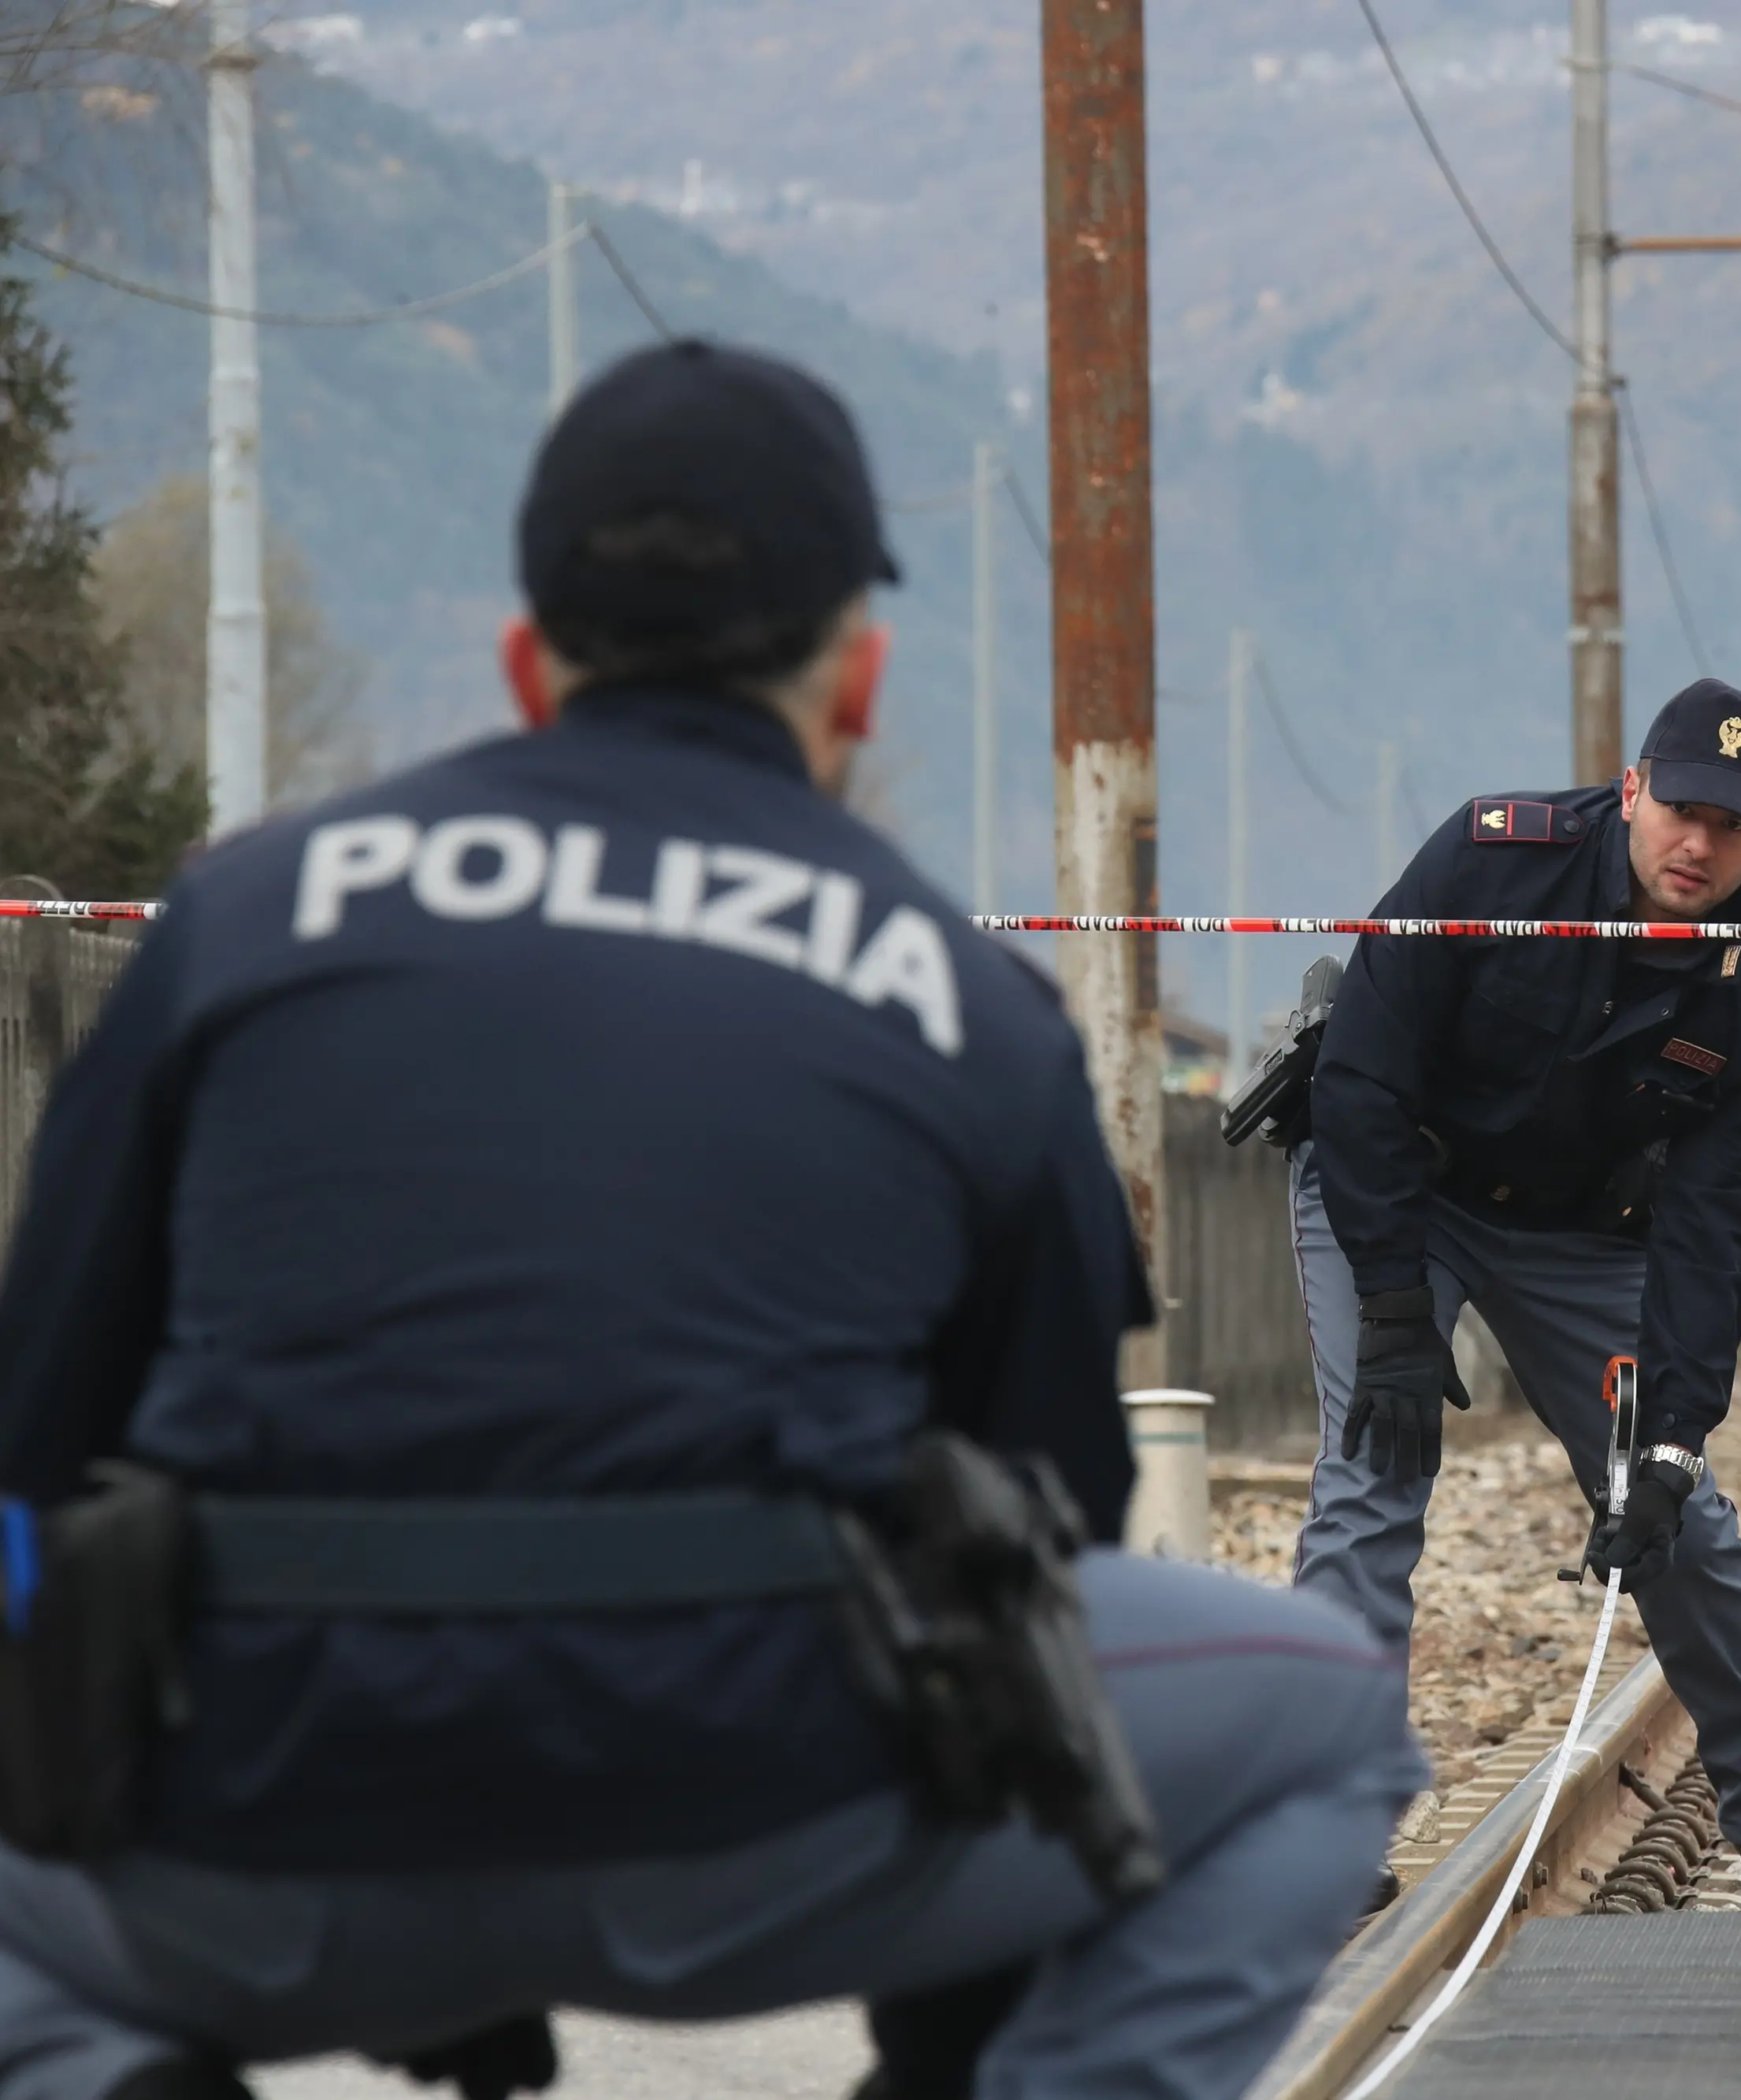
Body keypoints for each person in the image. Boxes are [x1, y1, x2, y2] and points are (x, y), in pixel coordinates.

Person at [0, 340, 1421, 2100]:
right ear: (862, 683)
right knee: (1328, 1722)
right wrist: (949, 2028)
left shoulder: (238, 917)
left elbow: (44, 1431)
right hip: (773, 1817)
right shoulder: (962, 1004)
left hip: (281, 1825)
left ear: (528, 665)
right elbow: (1039, 1522)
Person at [1291, 678, 1741, 1911]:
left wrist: (1671, 1433)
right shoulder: (1489, 861)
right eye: (1680, 809)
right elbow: (1358, 1077)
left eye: (1731, 827)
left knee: (1684, 1521)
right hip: (1402, 1188)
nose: (1697, 844)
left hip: (1584, 1241)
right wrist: (1396, 1310)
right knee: (1371, 1484)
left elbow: (1715, 1233)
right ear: (1632, 791)